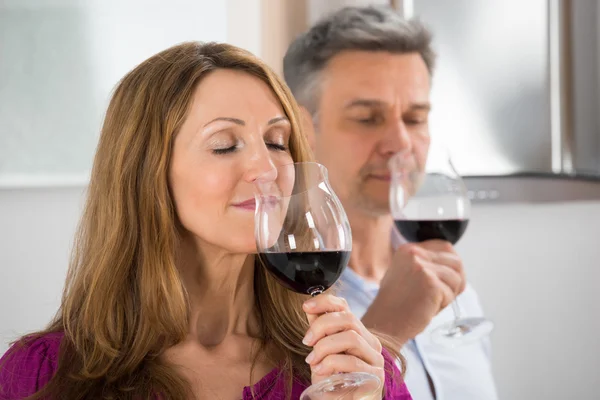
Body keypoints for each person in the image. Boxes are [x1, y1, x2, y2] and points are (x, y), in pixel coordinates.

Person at [0, 42, 411, 400]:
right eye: (224, 145)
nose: (266, 169)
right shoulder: (41, 375)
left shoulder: (361, 374)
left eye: (276, 142)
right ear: (145, 174)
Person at [283, 6, 498, 400]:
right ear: (302, 127)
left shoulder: (456, 291)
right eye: (367, 118)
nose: (400, 143)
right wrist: (384, 332)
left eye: (415, 119)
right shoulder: (278, 307)